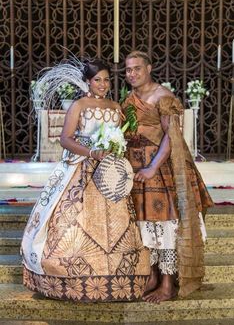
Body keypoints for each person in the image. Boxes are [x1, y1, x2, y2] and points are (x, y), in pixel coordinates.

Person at [21, 59, 150, 302]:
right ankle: (68, 277)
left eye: (106, 79)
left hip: (109, 173)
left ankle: (115, 277)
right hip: (81, 168)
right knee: (73, 222)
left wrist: (115, 147)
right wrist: (91, 152)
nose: (103, 84)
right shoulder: (79, 105)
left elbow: (120, 135)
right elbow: (65, 139)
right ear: (88, 82)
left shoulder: (115, 106)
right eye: (97, 80)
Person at [122, 51, 214, 303]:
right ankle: (152, 277)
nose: (132, 74)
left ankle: (167, 284)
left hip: (161, 169)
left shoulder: (164, 97)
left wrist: (152, 167)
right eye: (128, 70)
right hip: (136, 169)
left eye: (137, 69)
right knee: (144, 222)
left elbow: (171, 137)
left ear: (149, 68)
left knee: (165, 223)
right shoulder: (130, 98)